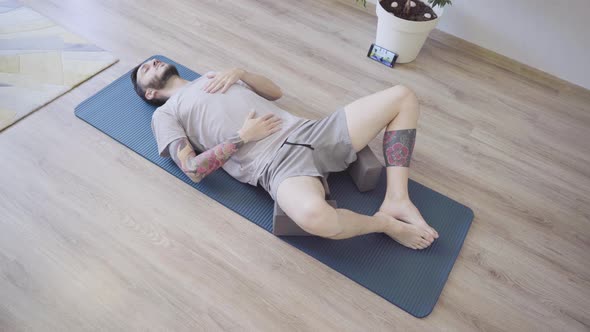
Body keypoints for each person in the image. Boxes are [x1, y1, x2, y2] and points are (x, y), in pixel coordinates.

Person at [131, 58, 439, 250]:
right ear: (149, 93)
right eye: (145, 70)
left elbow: (276, 92)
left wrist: (240, 72)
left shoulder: (213, 75)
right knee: (314, 217)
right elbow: (193, 169)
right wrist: (242, 138)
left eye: (153, 61)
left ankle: (397, 198)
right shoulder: (166, 114)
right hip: (274, 166)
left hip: (311, 131)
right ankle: (386, 223)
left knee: (403, 96)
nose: (152, 64)